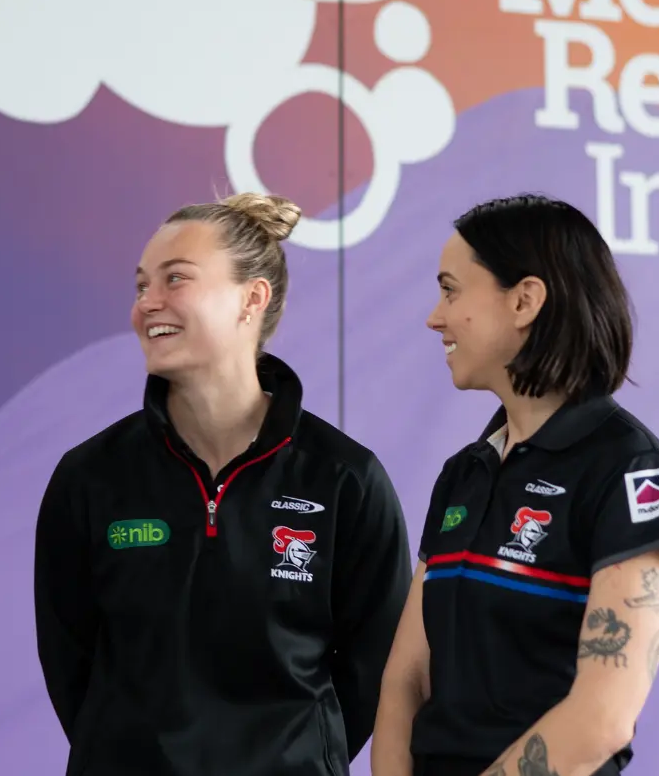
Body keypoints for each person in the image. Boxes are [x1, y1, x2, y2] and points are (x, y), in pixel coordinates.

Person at [33, 192, 415, 776]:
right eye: (141, 286)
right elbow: (71, 664)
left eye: (175, 279)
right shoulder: (90, 477)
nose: (146, 305)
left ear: (250, 299)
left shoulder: (344, 479)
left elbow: (376, 672)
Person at [370, 194, 659, 776]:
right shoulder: (465, 471)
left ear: (524, 300)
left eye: (451, 290)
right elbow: (407, 679)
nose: (434, 317)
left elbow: (604, 717)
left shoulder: (631, 469)